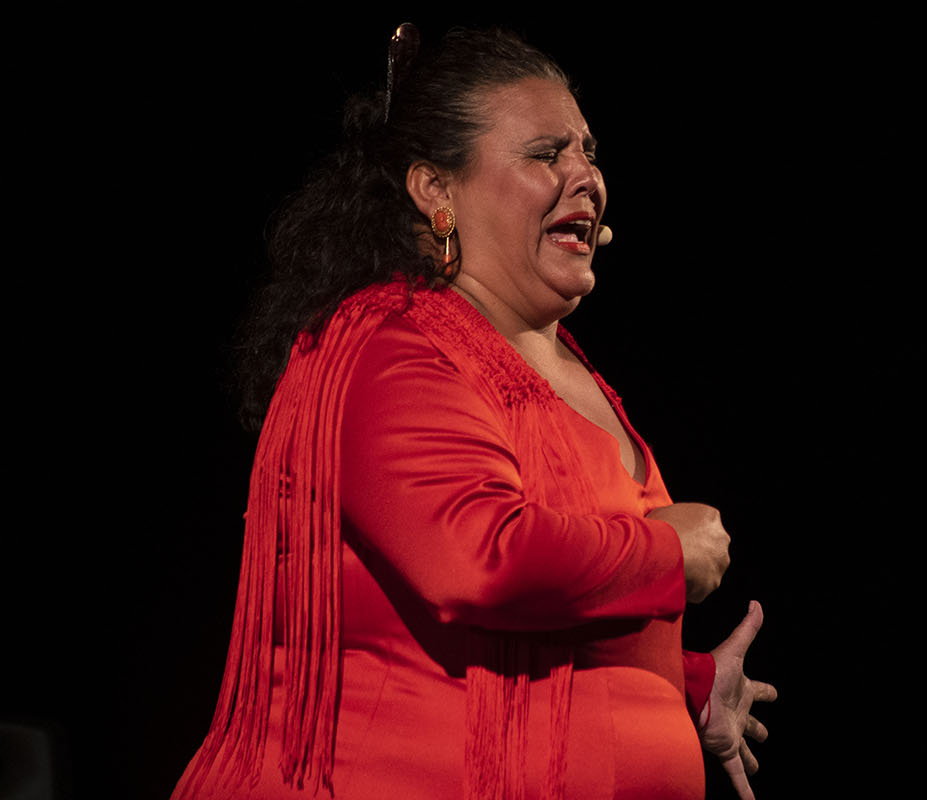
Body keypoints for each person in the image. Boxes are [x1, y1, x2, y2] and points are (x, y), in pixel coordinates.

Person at [172, 24, 775, 800]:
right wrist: (665, 557)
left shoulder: (564, 364)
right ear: (436, 190)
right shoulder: (389, 346)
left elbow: (550, 616)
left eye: (589, 151)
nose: (584, 175)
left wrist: (677, 682)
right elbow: (478, 560)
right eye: (545, 153)